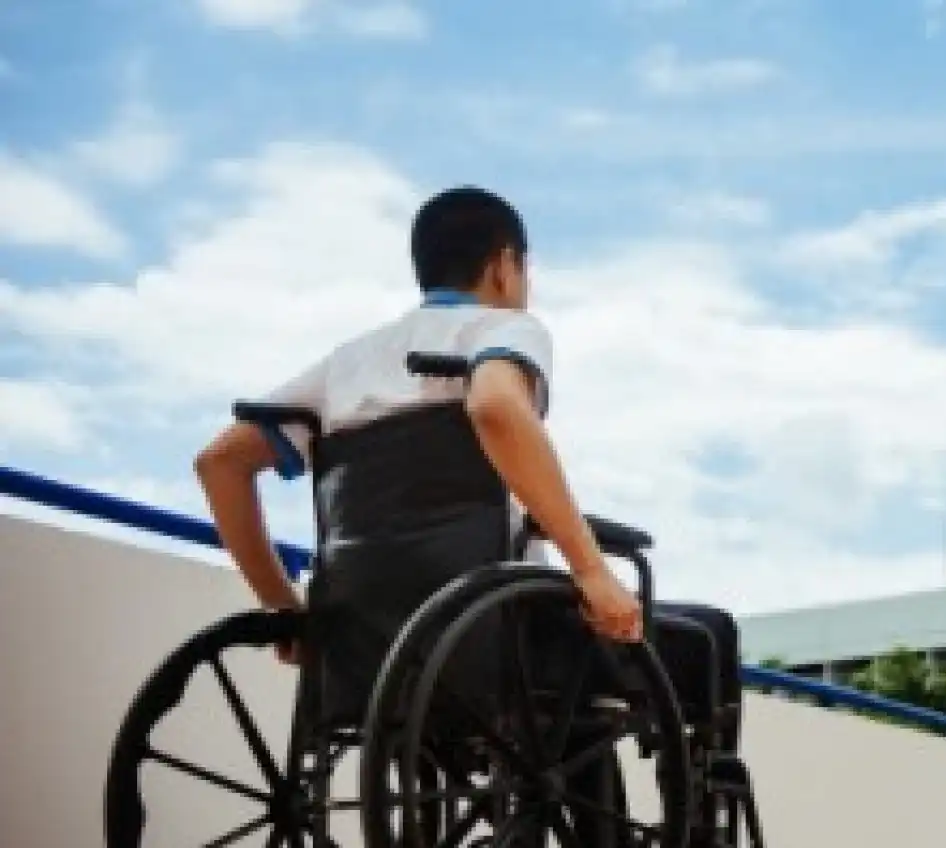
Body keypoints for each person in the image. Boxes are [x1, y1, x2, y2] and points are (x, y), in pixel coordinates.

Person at [192, 186, 642, 654]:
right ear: (505, 266)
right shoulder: (502, 330)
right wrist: (590, 567)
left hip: (362, 637)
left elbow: (220, 462)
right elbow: (496, 407)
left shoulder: (349, 364)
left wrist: (284, 611)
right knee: (703, 638)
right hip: (497, 634)